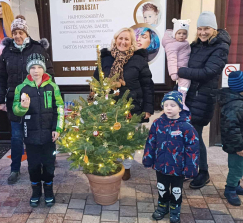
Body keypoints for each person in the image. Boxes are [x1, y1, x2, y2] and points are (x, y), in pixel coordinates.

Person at [0, 15, 54, 184]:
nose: (17, 36)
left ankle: (43, 165)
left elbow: (49, 74)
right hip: (14, 101)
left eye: (20, 32)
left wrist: (49, 97)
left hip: (37, 100)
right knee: (16, 136)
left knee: (38, 134)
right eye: (15, 33)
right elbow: (0, 77)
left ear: (26, 32)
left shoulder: (37, 49)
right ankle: (15, 169)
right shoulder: (7, 52)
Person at [177, 11, 230, 189]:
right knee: (186, 134)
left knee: (195, 135)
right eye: (200, 29)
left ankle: (203, 172)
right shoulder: (196, 45)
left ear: (213, 29)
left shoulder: (220, 48)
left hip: (203, 98)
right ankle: (190, 169)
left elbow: (207, 72)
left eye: (206, 28)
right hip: (189, 96)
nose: (202, 32)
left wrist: (181, 71)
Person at [93, 27, 154, 181]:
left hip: (132, 107)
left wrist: (148, 108)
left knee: (128, 140)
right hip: (108, 106)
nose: (123, 42)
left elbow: (147, 85)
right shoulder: (105, 59)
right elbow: (96, 81)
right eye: (121, 38)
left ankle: (126, 167)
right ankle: (112, 162)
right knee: (108, 137)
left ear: (132, 42)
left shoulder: (139, 60)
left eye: (127, 39)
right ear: (115, 39)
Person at [12, 53, 64, 207]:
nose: (36, 70)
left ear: (44, 69)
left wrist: (58, 128)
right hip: (31, 135)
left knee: (48, 164)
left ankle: (48, 189)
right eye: (33, 67)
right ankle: (36, 190)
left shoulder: (52, 86)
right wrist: (22, 107)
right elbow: (16, 110)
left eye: (39, 67)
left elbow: (59, 108)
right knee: (33, 165)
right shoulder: (21, 88)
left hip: (49, 135)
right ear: (29, 69)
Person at [143, 91, 199, 223]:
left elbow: (192, 149)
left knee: (176, 190)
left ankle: (175, 209)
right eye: (166, 105)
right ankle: (162, 206)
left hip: (178, 168)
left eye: (173, 105)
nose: (168, 108)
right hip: (160, 165)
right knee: (161, 187)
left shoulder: (186, 127)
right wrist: (148, 158)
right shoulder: (157, 123)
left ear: (180, 107)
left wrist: (191, 168)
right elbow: (151, 142)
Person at [219, 71, 243, 206]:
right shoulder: (235, 105)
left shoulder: (239, 102)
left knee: (240, 167)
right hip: (237, 145)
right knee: (237, 168)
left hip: (240, 142)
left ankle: (236, 185)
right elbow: (231, 129)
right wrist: (239, 147)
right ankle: (230, 189)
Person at [162, 18, 191, 110]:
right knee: (184, 86)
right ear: (175, 34)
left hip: (184, 68)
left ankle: (180, 102)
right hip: (180, 69)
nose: (182, 36)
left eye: (184, 33)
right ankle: (181, 103)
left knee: (185, 85)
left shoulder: (185, 43)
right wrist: (173, 73)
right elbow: (171, 59)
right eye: (179, 33)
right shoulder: (173, 45)